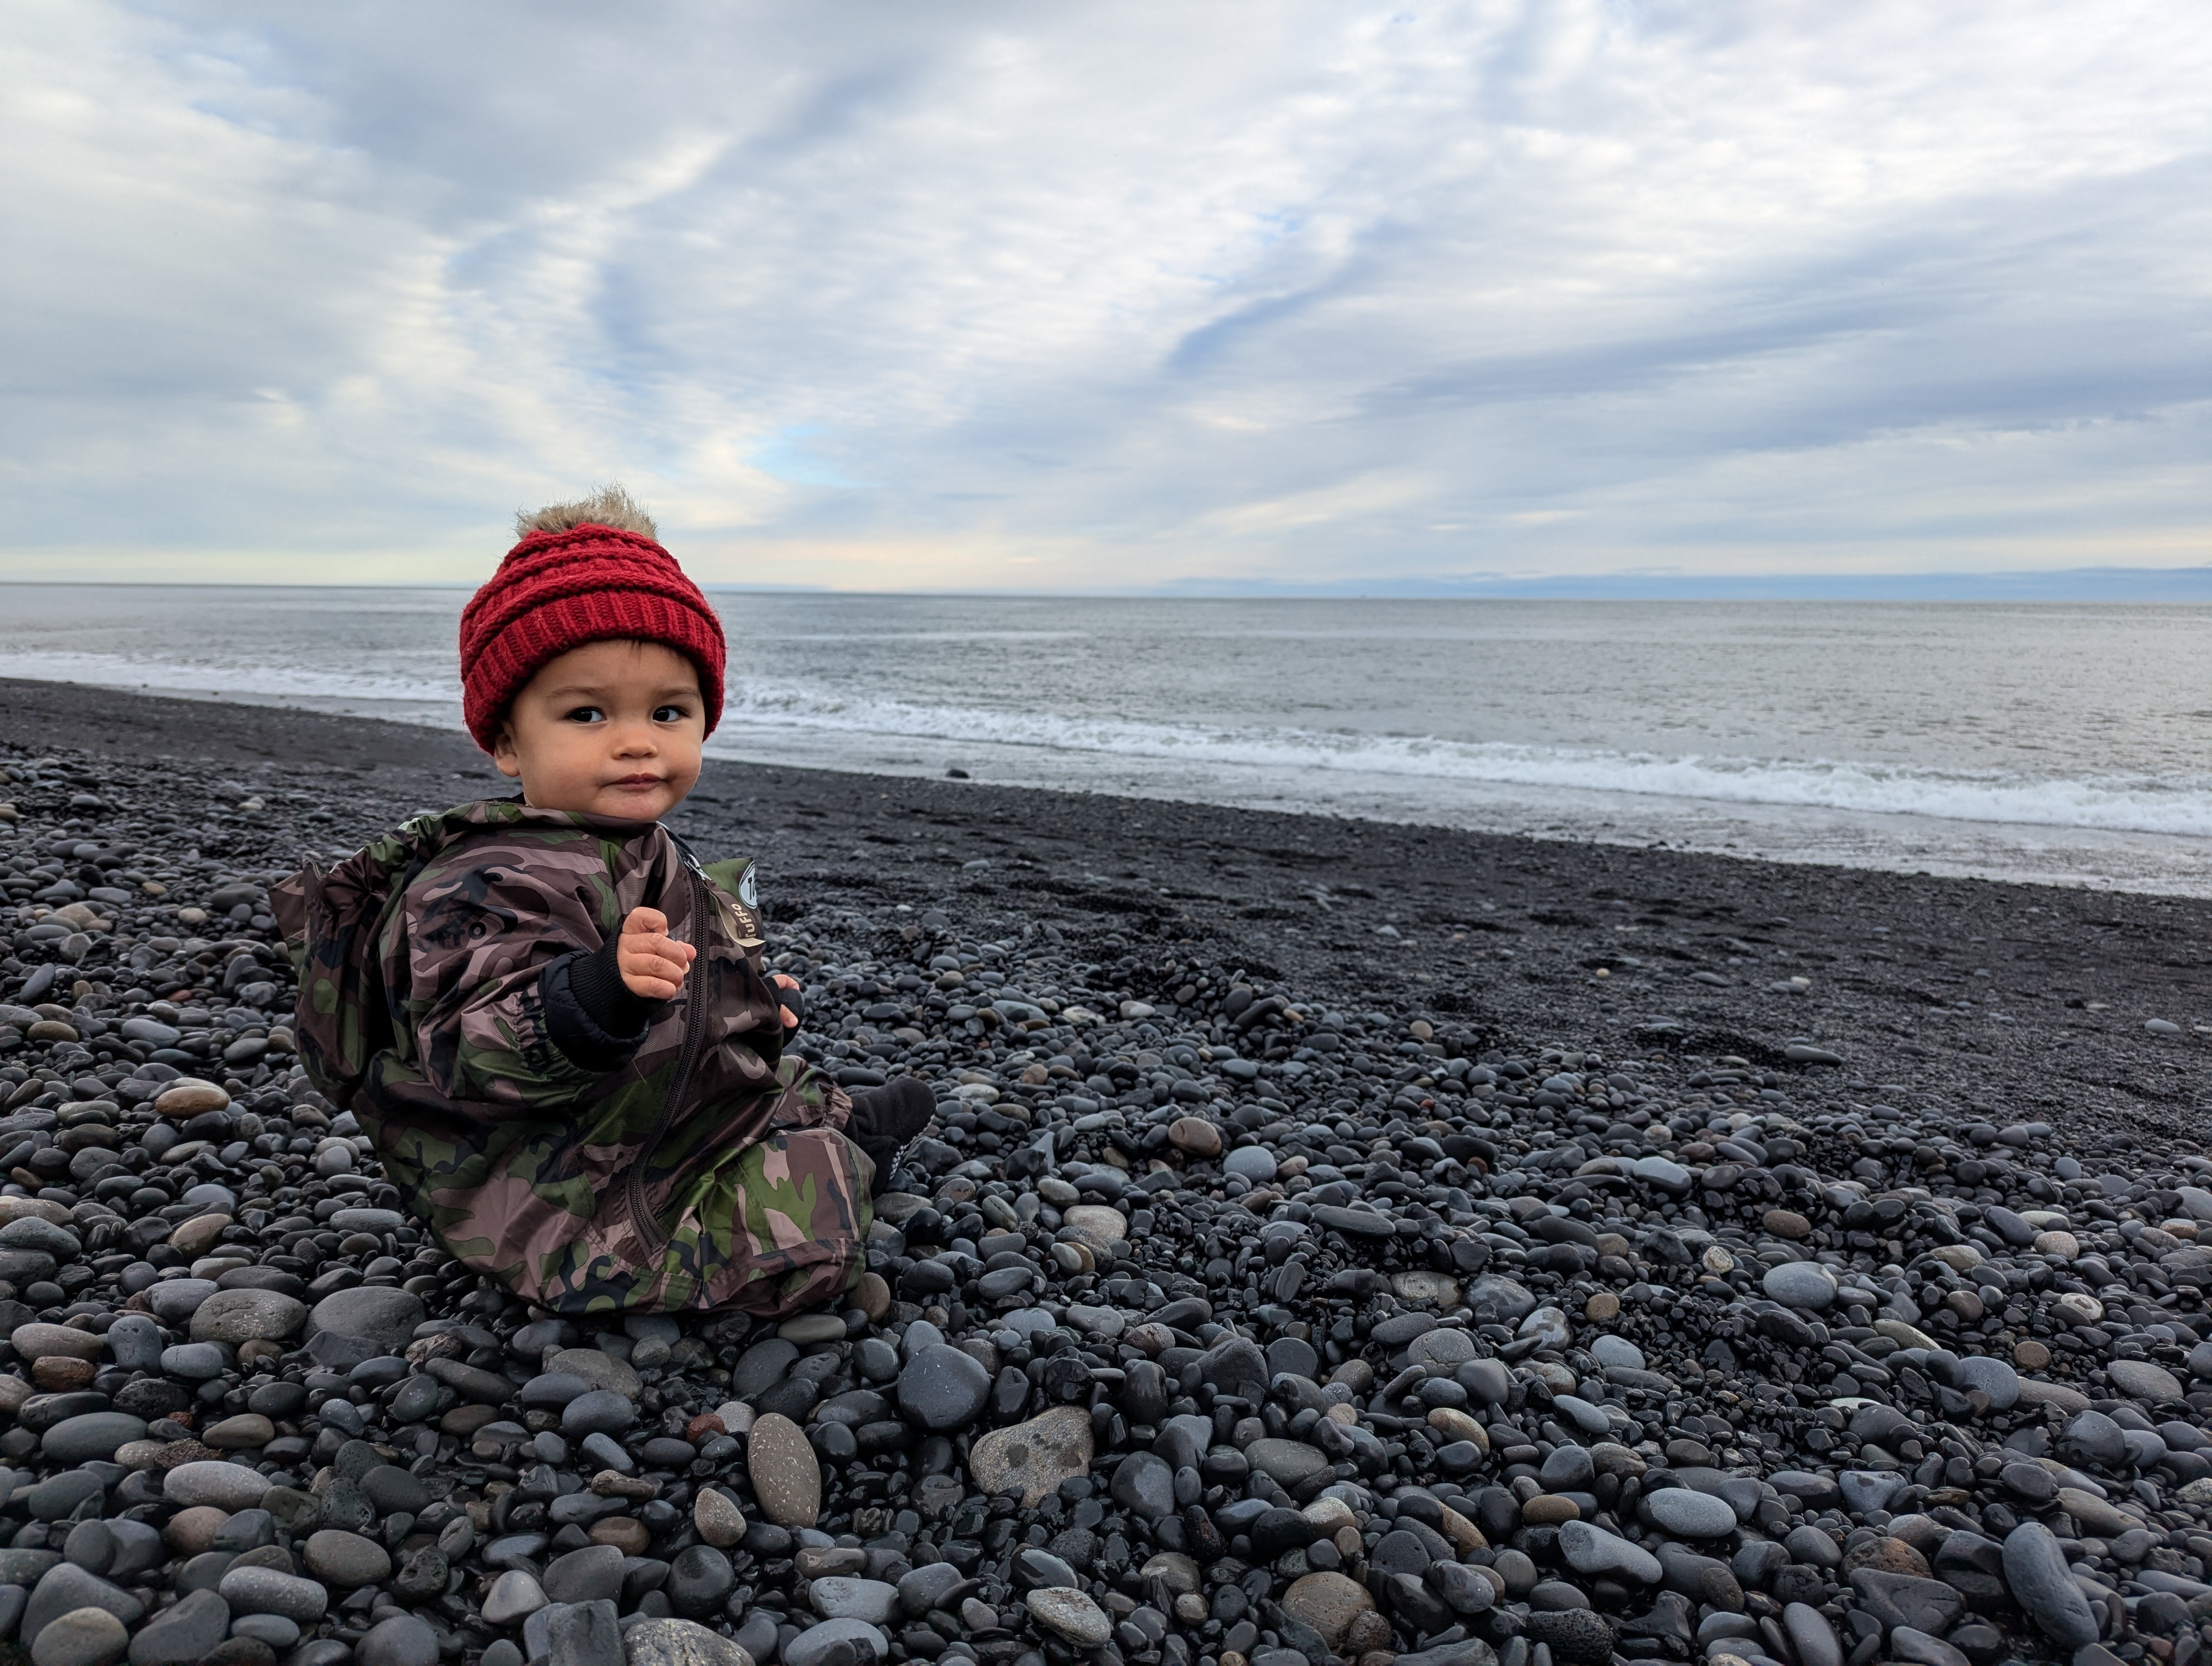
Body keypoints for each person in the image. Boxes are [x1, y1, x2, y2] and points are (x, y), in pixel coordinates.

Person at [272, 487, 933, 1316]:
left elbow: (685, 964)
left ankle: (826, 1120)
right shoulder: (488, 879)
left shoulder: (636, 843)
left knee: (769, 1061)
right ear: (507, 740)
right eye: (587, 713)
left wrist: (744, 992)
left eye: (668, 711)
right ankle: (848, 1160)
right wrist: (595, 995)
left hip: (637, 1108)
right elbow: (472, 1051)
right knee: (813, 1236)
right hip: (557, 1189)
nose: (636, 740)